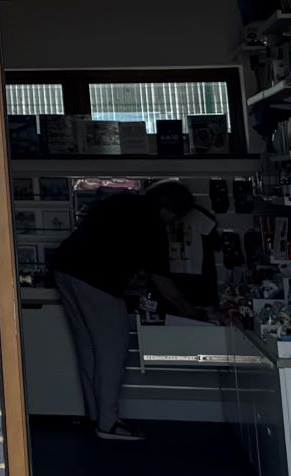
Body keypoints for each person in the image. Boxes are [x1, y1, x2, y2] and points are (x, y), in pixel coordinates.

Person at [51, 180, 206, 442]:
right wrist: (191, 311)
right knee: (112, 350)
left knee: (88, 348)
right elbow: (161, 279)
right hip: (96, 280)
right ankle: (109, 423)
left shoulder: (121, 200)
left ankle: (96, 416)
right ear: (169, 210)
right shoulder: (153, 224)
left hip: (65, 269)